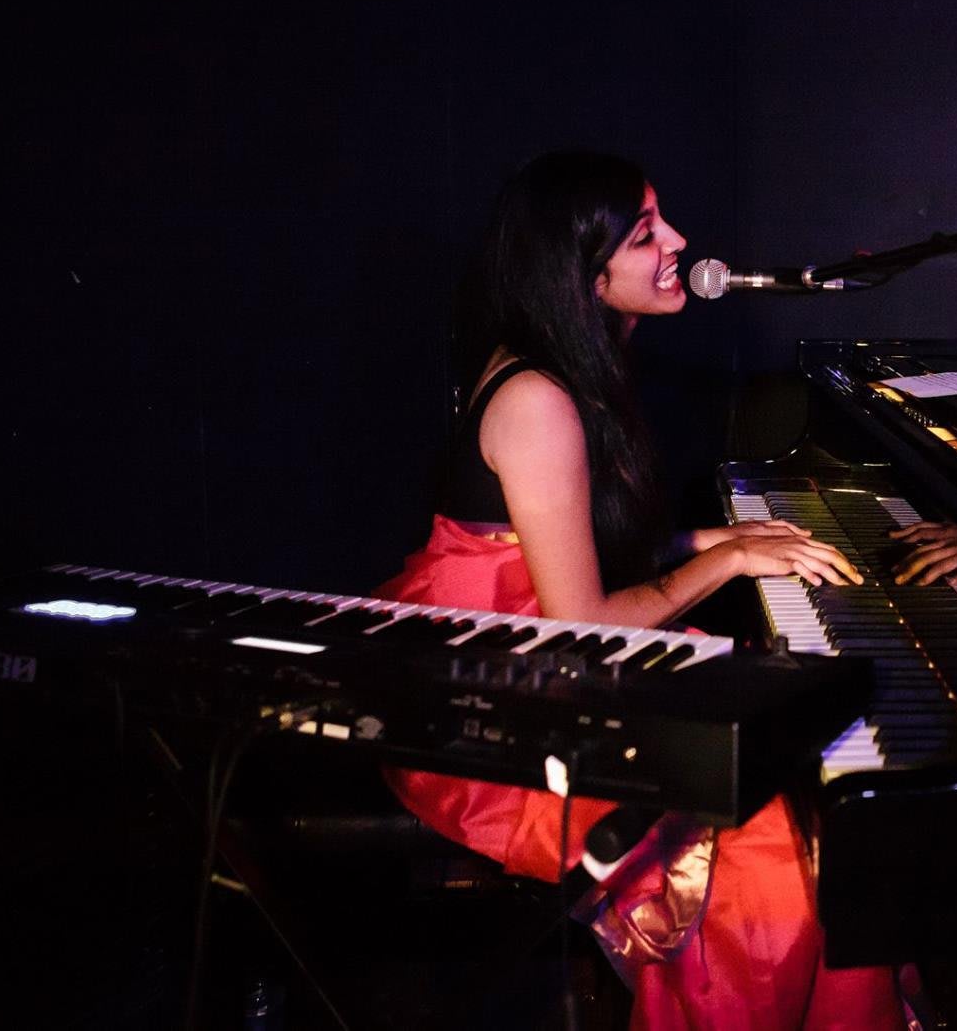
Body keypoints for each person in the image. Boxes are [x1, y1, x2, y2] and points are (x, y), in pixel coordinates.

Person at [376, 151, 905, 1029]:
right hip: (498, 698)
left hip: (541, 658)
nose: (679, 242)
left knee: (809, 786)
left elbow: (571, 553)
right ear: (585, 271)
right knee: (766, 845)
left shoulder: (571, 366)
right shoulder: (538, 399)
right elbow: (581, 620)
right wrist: (725, 563)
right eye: (645, 233)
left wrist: (716, 539)